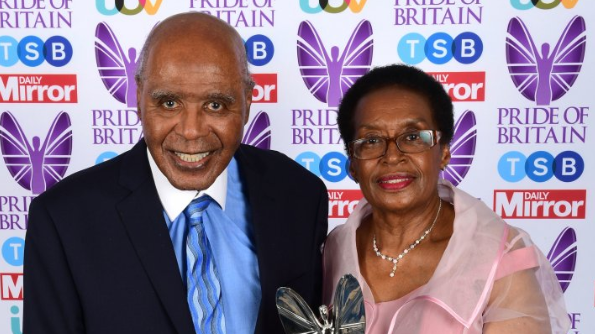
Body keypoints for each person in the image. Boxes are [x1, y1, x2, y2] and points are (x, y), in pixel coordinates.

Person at [23, 12, 328, 334]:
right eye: (169, 103)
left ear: (248, 101)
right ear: (139, 96)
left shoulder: (300, 194)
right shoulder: (64, 218)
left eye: (215, 105)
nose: (192, 131)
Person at [322, 64, 569, 333]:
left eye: (413, 137)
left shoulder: (498, 256)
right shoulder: (334, 251)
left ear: (444, 152)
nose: (392, 156)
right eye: (370, 140)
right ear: (353, 164)